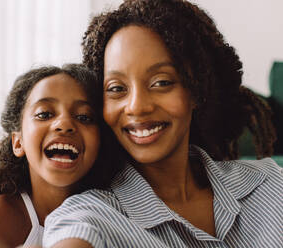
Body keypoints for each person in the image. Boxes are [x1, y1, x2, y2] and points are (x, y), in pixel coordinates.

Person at [43, 0, 283, 247]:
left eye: (161, 82)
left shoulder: (271, 185)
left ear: (196, 90)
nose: (136, 106)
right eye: (116, 88)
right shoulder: (91, 217)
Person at [0, 64, 113, 247]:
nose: (64, 123)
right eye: (44, 114)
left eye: (84, 117)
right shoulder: (0, 215)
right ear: (18, 143)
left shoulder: (110, 210)